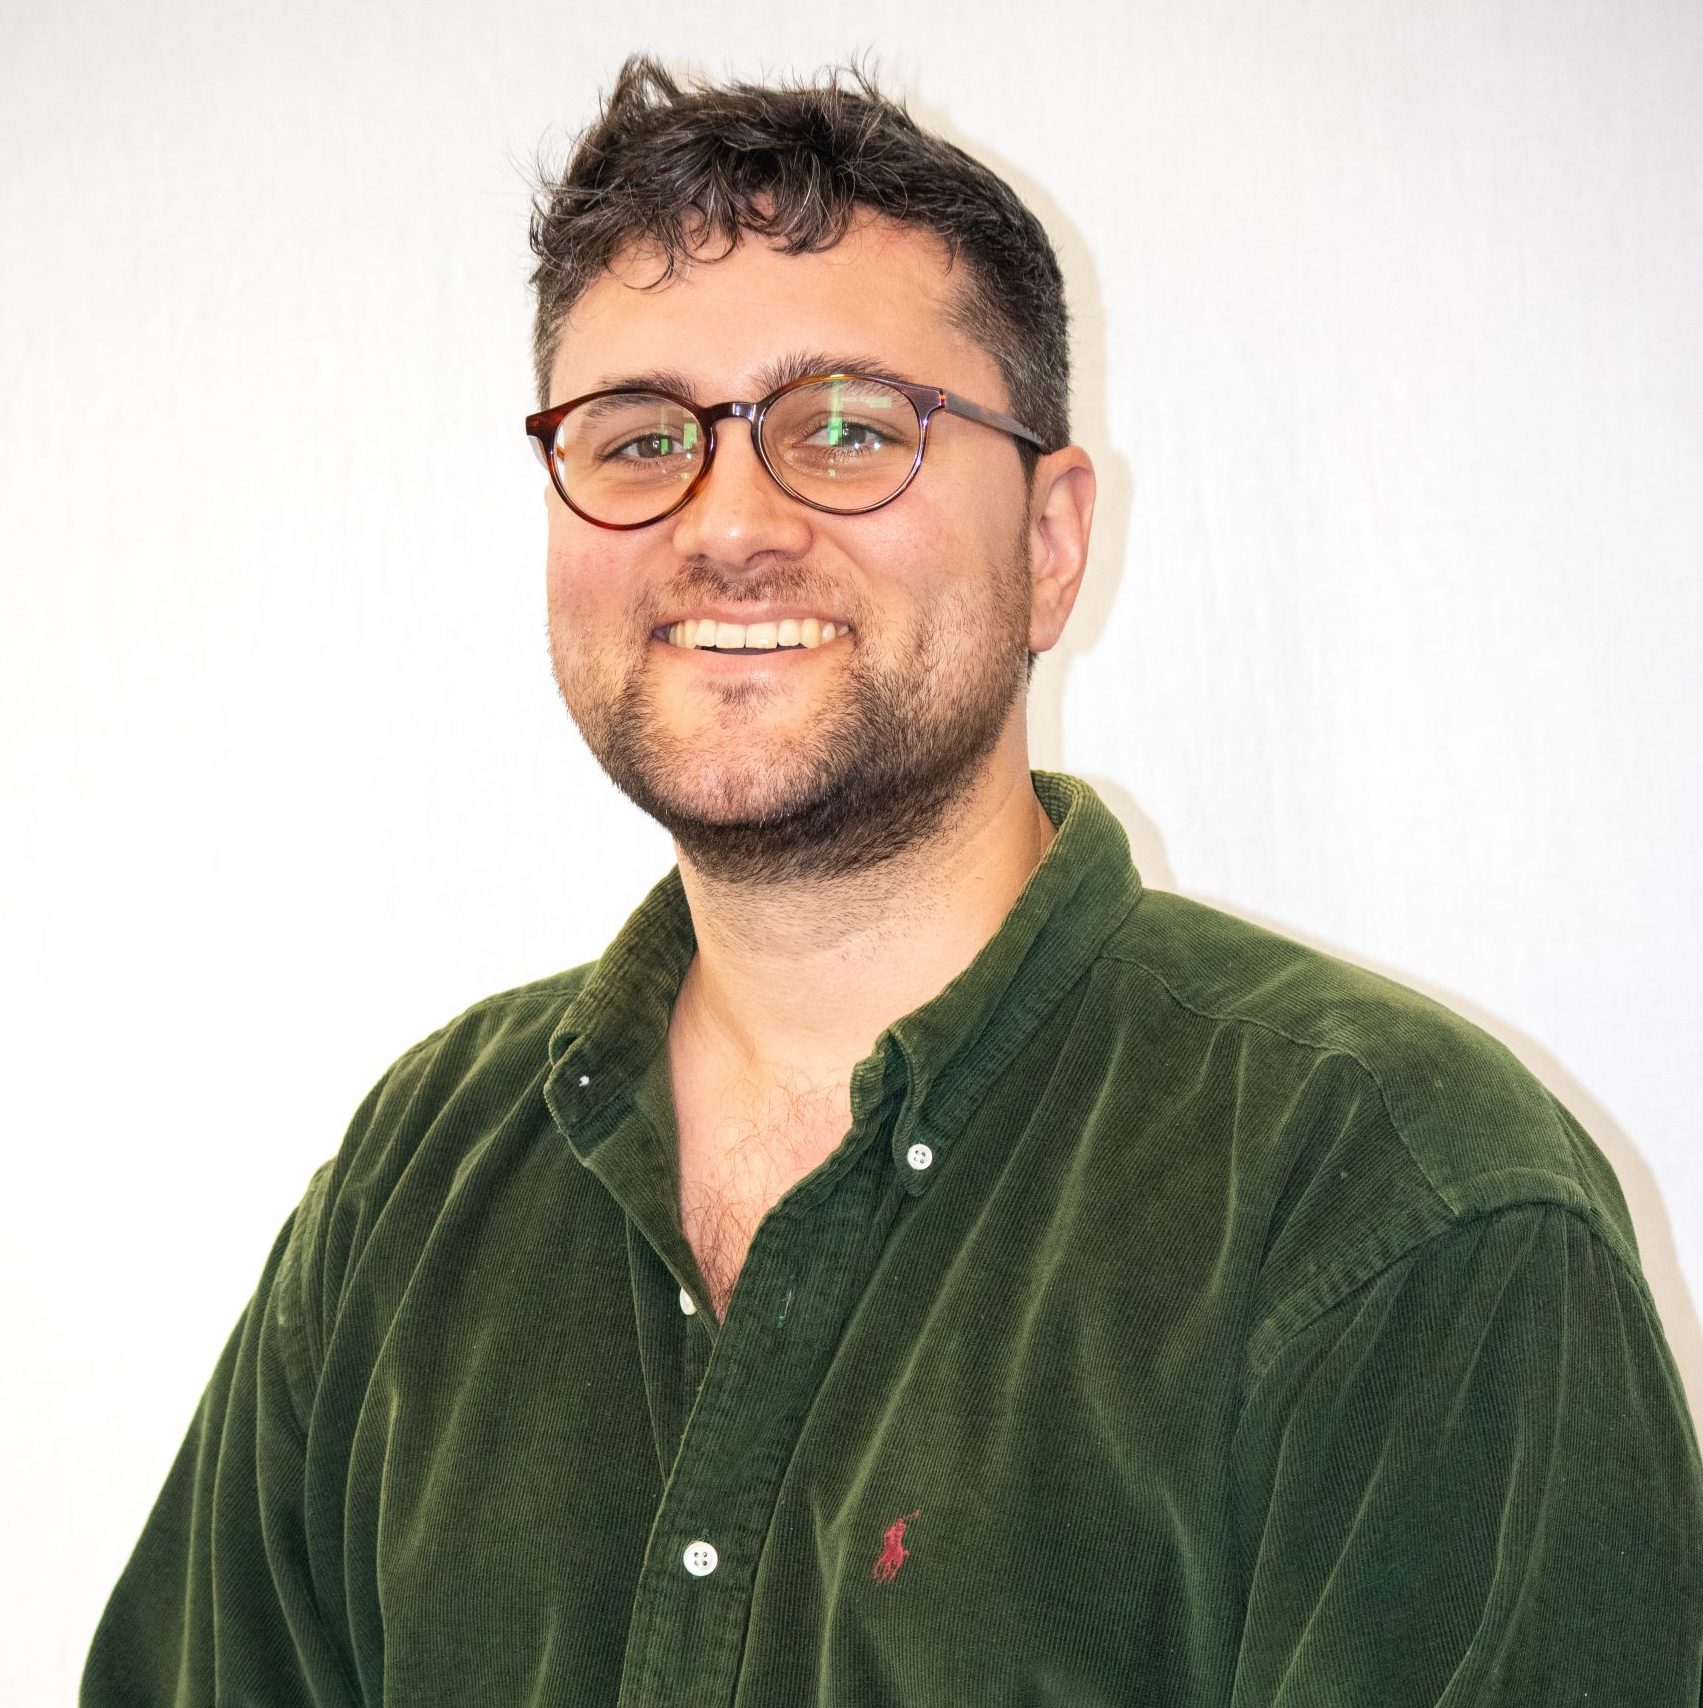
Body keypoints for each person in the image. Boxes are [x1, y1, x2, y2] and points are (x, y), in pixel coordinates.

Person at [83, 55, 1703, 1707]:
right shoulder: (415, 1191)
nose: (729, 522)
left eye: (848, 426)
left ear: (1052, 543)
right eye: (640, 439)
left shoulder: (1393, 1200)